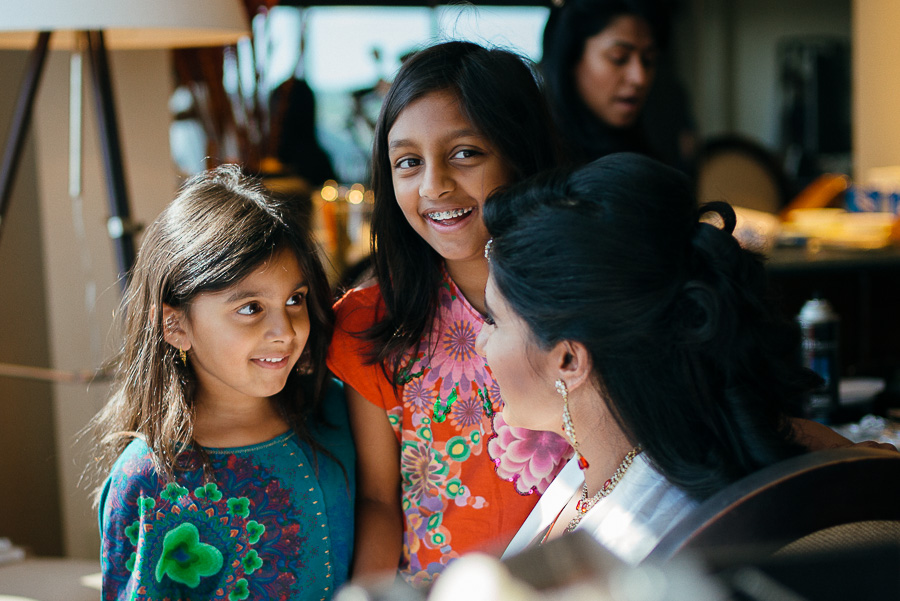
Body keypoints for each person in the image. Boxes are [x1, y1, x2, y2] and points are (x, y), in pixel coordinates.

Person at [476, 152, 873, 565]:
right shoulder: (600, 470)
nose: (480, 343)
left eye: (494, 320)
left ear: (569, 361)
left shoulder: (647, 538)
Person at [326, 41, 572, 587]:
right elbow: (379, 499)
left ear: (518, 153)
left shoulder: (589, 301)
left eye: (465, 153)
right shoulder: (370, 326)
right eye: (408, 162)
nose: (434, 184)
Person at [91, 165, 355, 600]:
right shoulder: (148, 481)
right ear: (175, 326)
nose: (285, 331)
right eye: (250, 307)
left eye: (295, 299)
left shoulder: (336, 411)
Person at [541, 0, 696, 170]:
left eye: (648, 60)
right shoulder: (540, 159)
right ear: (571, 60)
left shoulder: (654, 156)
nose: (639, 78)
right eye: (619, 58)